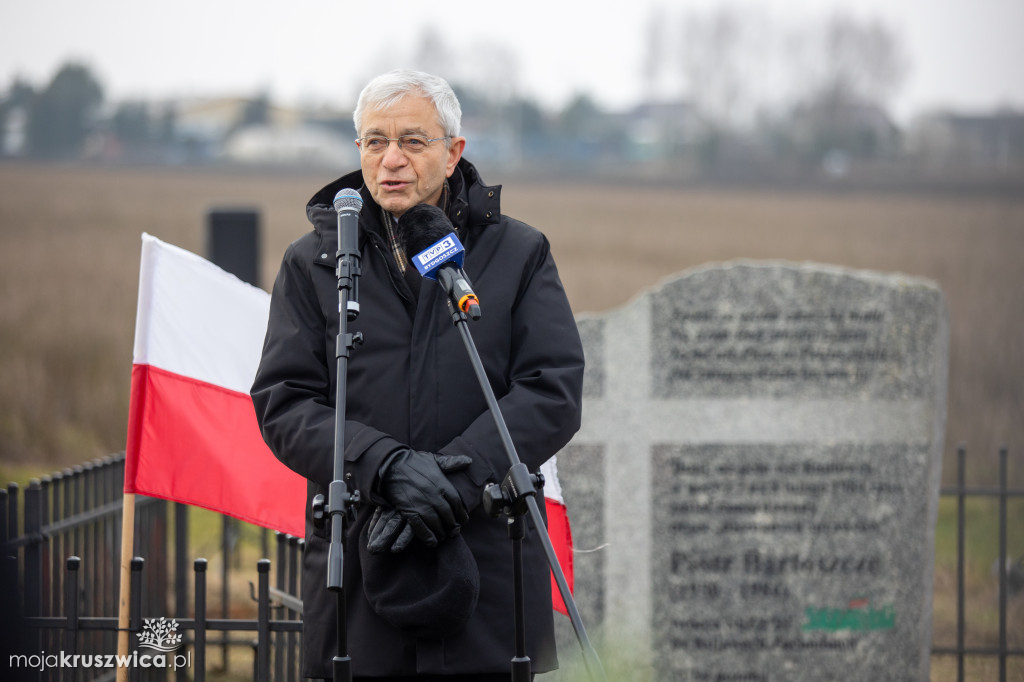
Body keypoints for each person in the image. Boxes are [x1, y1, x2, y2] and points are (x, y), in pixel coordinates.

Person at [251, 69, 585, 681]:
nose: (391, 160)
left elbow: (552, 388)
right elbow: (284, 402)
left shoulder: (517, 253)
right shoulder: (314, 264)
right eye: (374, 142)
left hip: (487, 561)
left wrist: (455, 477)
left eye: (413, 141)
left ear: (454, 152)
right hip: (361, 560)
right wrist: (388, 467)